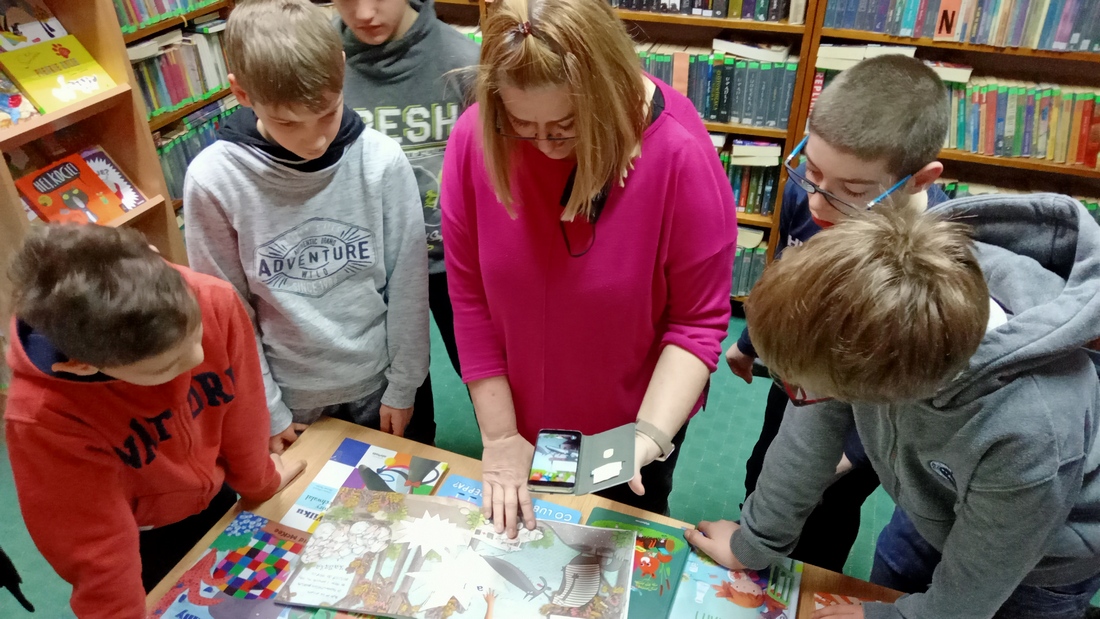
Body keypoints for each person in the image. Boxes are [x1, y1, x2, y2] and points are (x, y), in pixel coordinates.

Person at [687, 196, 1100, 619]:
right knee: (895, 576)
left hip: (1042, 564)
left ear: (889, 391)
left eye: (806, 390)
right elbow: (807, 439)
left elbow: (976, 587)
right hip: (934, 505)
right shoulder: (879, 334)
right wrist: (754, 543)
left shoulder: (1032, 429)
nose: (798, 397)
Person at [441, 0, 737, 537]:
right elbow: (469, 297)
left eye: (566, 125)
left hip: (634, 422)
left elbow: (696, 324)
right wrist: (502, 435)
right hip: (520, 421)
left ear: (609, 92)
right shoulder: (476, 139)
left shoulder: (678, 154)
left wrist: (645, 440)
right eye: (521, 124)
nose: (546, 146)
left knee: (616, 549)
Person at [4, 224, 305, 619]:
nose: (197, 359)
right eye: (168, 365)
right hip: (143, 535)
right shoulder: (41, 418)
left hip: (217, 493)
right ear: (81, 367)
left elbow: (243, 410)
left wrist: (259, 481)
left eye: (196, 336)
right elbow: (94, 547)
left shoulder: (211, 299)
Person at [724, 54, 950, 571]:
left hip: (873, 423)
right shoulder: (810, 199)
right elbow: (790, 273)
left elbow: (912, 397)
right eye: (813, 169)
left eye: (852, 191)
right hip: (800, 385)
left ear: (919, 179)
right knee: (767, 470)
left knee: (826, 511)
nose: (821, 204)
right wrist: (751, 343)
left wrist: (854, 455)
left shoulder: (935, 267)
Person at [184, 0, 430, 451]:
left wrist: (404, 385)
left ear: (341, 69)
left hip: (382, 387)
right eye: (287, 122)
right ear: (241, 94)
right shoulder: (214, 179)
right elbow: (229, 312)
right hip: (288, 403)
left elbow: (408, 286)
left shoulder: (380, 160)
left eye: (328, 113)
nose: (315, 139)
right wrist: (268, 407)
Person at [337, 0, 481, 443]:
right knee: (398, 415)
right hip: (370, 273)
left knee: (496, 382)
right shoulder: (322, 66)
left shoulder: (465, 65)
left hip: (458, 269)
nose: (363, 13)